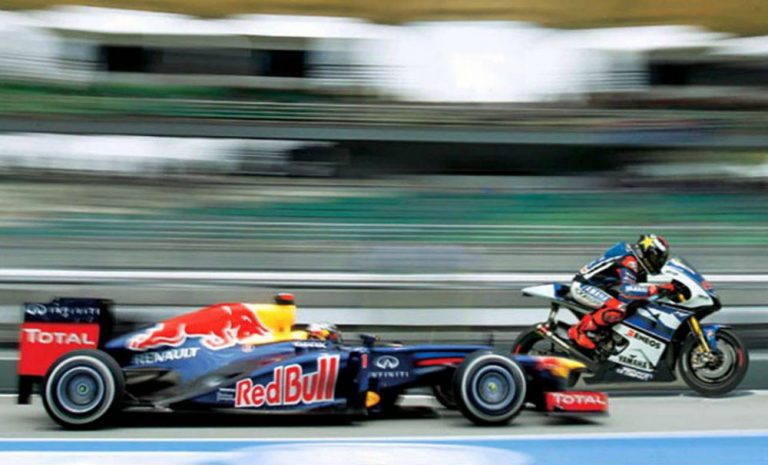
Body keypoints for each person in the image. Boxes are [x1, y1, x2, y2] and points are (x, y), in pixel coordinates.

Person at [568, 234, 676, 350]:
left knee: (635, 303)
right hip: (584, 286)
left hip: (599, 286)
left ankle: (608, 336)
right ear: (647, 253)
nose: (658, 263)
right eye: (656, 259)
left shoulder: (634, 258)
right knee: (619, 308)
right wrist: (656, 289)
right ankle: (579, 330)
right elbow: (627, 290)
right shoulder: (629, 261)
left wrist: (666, 288)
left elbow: (638, 287)